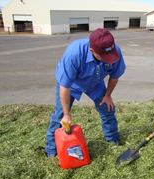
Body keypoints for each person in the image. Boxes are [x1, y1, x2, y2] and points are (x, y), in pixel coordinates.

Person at [45, 28, 126, 157]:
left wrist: (108, 95)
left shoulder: (115, 51)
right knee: (59, 117)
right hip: (72, 83)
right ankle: (52, 151)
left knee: (108, 109)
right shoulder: (74, 54)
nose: (109, 60)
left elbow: (115, 76)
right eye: (104, 57)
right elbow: (64, 86)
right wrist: (67, 114)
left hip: (95, 82)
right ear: (92, 51)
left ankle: (112, 141)